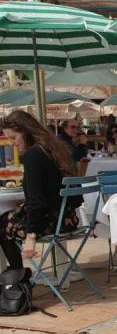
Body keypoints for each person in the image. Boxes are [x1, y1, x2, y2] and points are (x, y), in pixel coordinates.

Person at [0, 111, 82, 269]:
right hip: (68, 219)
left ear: (25, 132)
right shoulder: (54, 148)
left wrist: (31, 235)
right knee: (8, 219)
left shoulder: (33, 155)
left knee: (2, 224)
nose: (12, 143)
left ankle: (17, 278)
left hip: (48, 222)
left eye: (13, 137)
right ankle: (17, 276)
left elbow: (35, 200)